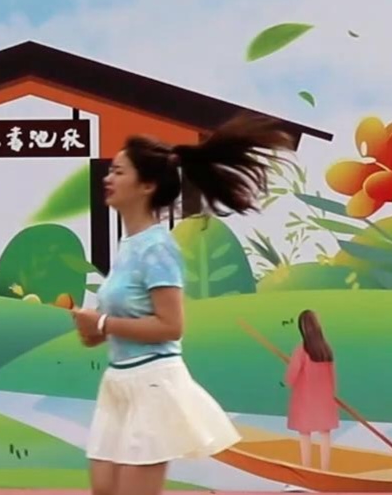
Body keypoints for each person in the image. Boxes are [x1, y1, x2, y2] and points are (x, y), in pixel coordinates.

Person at [70, 114, 293, 495]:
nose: (108, 178)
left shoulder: (158, 247)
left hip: (152, 383)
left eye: (119, 172)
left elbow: (171, 326)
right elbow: (118, 324)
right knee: (104, 489)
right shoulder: (129, 247)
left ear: (147, 185)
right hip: (117, 384)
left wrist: (103, 324)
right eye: (110, 171)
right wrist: (92, 329)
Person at [286, 309, 339, 470]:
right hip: (325, 399)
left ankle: (307, 467)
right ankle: (325, 469)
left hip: (306, 399)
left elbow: (292, 375)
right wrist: (332, 393)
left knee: (305, 434)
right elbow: (332, 375)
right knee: (325, 433)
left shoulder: (301, 350)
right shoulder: (326, 349)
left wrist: (287, 381)